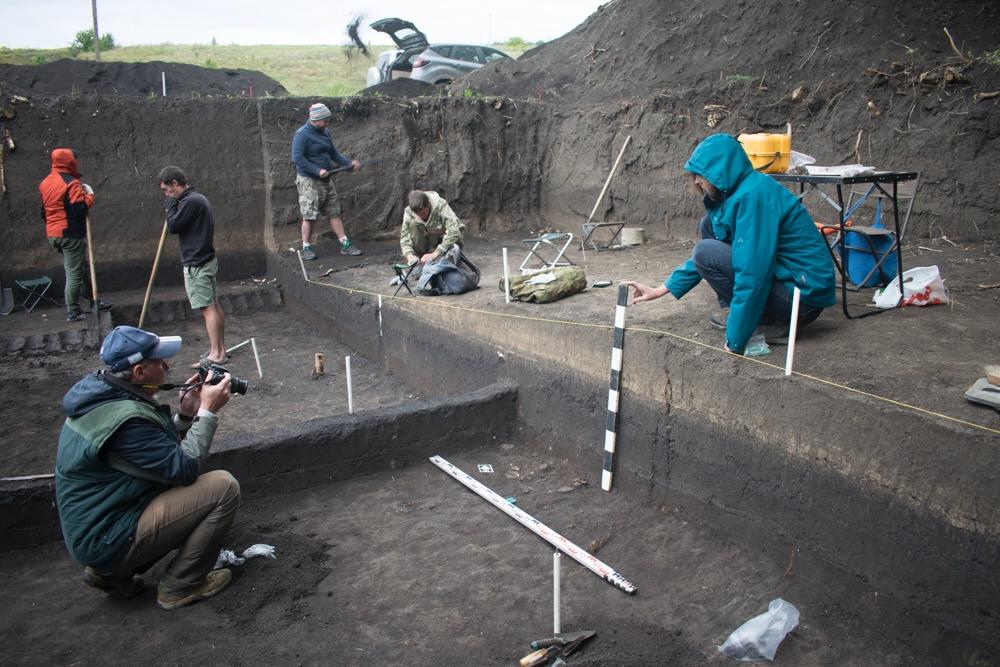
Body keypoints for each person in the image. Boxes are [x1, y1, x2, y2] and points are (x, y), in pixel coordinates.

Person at [55, 325, 240, 611]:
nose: (167, 365)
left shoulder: (104, 394)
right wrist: (207, 412)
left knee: (177, 490)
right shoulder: (127, 421)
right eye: (159, 361)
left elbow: (155, 459)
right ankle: (181, 585)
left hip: (100, 525)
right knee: (222, 488)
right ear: (139, 373)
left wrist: (186, 416)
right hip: (106, 535)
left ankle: (110, 574)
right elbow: (185, 469)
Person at [625, 133, 835, 355]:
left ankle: (773, 325)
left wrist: (735, 340)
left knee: (706, 250)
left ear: (720, 171)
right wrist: (660, 290)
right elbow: (716, 255)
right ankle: (743, 315)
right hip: (788, 283)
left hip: (802, 301)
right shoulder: (740, 192)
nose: (696, 181)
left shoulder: (753, 197)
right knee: (709, 227)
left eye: (700, 175)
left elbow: (753, 274)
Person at [158, 166, 226, 365]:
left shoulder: (190, 202)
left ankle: (217, 354)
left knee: (207, 308)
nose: (166, 194)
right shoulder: (197, 199)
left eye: (166, 190)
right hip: (205, 259)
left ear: (175, 183)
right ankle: (220, 349)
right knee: (214, 305)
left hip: (197, 262)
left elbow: (173, 226)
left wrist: (170, 205)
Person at [38, 147, 111, 321]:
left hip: (53, 234)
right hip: (69, 234)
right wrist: (90, 196)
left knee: (80, 266)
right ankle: (73, 310)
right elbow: (79, 209)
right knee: (74, 273)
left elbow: (43, 212)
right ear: (69, 161)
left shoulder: (45, 182)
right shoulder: (71, 182)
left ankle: (93, 300)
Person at [291, 102, 362, 260]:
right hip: (309, 181)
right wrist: (317, 170)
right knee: (309, 214)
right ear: (315, 120)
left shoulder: (325, 133)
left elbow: (334, 154)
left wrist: (349, 164)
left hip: (326, 180)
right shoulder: (302, 134)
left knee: (334, 211)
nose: (327, 123)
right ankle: (306, 247)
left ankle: (345, 244)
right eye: (325, 120)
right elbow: (297, 158)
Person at [400, 190, 467, 278]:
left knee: (448, 264)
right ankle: (422, 262)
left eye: (423, 213)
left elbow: (453, 231)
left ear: (428, 205)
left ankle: (447, 258)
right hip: (430, 241)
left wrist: (436, 252)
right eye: (418, 214)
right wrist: (410, 255)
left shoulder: (440, 204)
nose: (420, 216)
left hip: (447, 240)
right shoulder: (409, 212)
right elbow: (404, 237)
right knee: (413, 223)